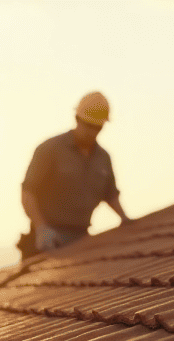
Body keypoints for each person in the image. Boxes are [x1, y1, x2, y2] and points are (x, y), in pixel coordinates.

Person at [19, 91, 131, 258]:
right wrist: (42, 228)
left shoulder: (103, 158)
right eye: (88, 125)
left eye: (97, 127)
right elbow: (28, 192)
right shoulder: (50, 150)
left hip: (81, 238)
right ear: (77, 119)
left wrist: (125, 219)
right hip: (48, 240)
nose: (92, 132)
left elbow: (110, 194)